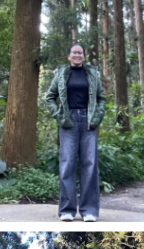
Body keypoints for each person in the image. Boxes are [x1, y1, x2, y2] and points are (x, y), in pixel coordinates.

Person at [45, 43, 106, 222]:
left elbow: (101, 98)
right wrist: (59, 116)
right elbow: (50, 97)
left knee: (90, 165)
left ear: (84, 56)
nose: (78, 55)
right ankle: (67, 210)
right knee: (67, 165)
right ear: (69, 56)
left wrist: (96, 118)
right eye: (74, 53)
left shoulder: (93, 74)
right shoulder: (62, 74)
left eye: (80, 53)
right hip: (68, 121)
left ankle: (89, 211)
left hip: (88, 122)